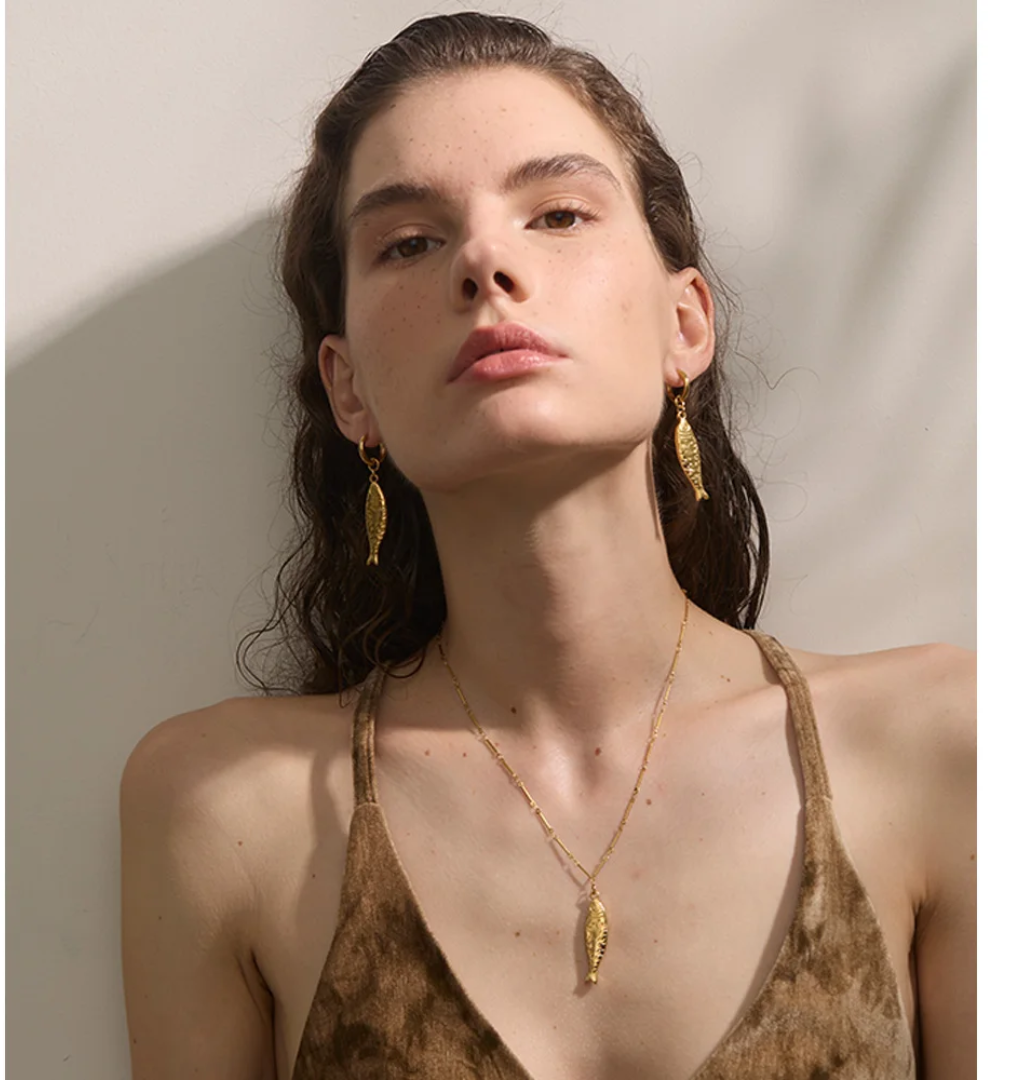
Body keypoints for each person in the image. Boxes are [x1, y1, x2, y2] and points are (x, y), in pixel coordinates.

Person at [120, 12, 975, 1080]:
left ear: (684, 325)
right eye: (410, 242)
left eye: (559, 214)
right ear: (349, 390)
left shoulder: (942, 743)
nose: (485, 260)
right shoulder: (224, 806)